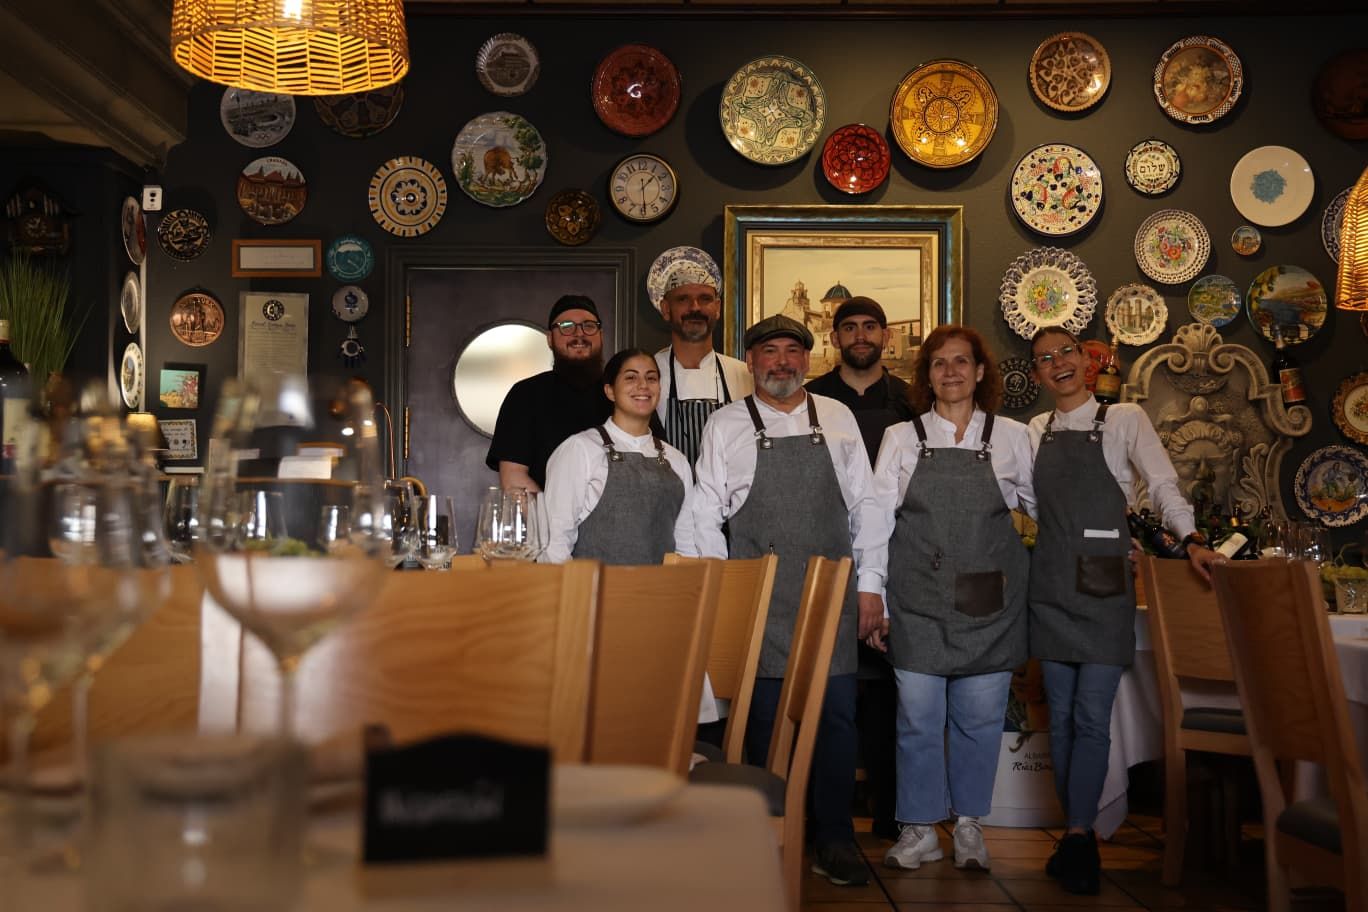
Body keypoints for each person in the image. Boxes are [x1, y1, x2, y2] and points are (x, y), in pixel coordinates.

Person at [1026, 328, 1222, 895]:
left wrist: (1189, 541)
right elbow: (1030, 501)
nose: (1058, 364)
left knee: (1090, 715)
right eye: (1045, 359)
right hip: (1053, 581)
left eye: (1066, 352)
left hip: (1106, 584)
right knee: (1059, 718)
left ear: (1088, 362)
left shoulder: (1124, 419)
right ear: (1036, 373)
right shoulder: (1034, 431)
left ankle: (1083, 834)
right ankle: (1074, 832)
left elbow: (1161, 483)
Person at [692, 314, 883, 887]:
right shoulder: (726, 424)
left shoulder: (839, 417)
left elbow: (867, 509)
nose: (781, 362)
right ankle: (768, 836)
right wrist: (724, 593)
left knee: (836, 720)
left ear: (808, 357)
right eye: (769, 352)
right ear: (751, 362)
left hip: (831, 595)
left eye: (792, 352)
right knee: (765, 724)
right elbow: (704, 514)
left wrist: (870, 585)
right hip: (761, 600)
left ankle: (833, 839)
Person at [869, 324, 1036, 873]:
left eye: (961, 362)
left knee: (980, 718)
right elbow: (874, 523)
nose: (951, 372)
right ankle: (918, 829)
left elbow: (1045, 513)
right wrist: (873, 597)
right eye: (939, 364)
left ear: (981, 371)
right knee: (917, 717)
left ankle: (968, 826)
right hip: (916, 598)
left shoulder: (1012, 437)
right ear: (927, 376)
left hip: (987, 602)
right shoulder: (902, 437)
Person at [804, 295, 912, 841]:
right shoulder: (814, 398)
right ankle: (828, 812)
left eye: (871, 326)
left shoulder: (911, 400)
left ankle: (892, 810)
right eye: (850, 328)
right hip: (827, 551)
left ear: (885, 337)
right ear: (835, 337)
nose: (861, 335)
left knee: (890, 694)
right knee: (830, 690)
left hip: (897, 554)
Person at [541, 348, 696, 565]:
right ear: (610, 391)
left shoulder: (676, 460)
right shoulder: (580, 449)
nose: (643, 385)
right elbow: (555, 540)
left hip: (663, 594)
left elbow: (687, 540)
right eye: (631, 377)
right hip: (594, 595)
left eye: (651, 378)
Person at [485, 295, 611, 492]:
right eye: (566, 326)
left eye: (589, 325)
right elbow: (514, 478)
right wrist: (555, 520)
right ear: (550, 339)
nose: (579, 334)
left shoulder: (625, 393)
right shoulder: (524, 395)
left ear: (601, 335)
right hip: (546, 520)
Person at [648, 247, 752, 465]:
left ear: (717, 308)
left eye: (705, 299)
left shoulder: (745, 375)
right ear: (666, 309)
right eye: (683, 299)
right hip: (669, 496)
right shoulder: (648, 375)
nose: (695, 308)